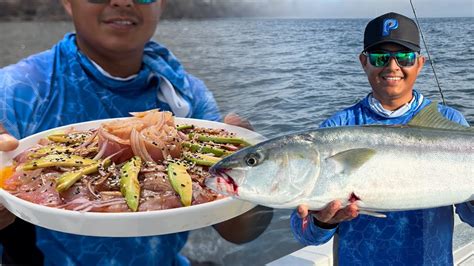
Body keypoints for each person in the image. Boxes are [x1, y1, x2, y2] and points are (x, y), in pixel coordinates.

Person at [0, 0, 272, 265]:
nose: (122, 2)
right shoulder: (18, 89)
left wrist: (259, 172)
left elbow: (240, 231)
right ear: (68, 2)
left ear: (162, 3)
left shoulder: (187, 95)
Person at [290, 12, 473, 265]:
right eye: (380, 57)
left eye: (405, 57)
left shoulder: (450, 122)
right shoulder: (338, 128)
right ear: (364, 61)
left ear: (420, 63)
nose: (392, 67)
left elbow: (470, 215)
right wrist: (321, 221)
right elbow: (304, 234)